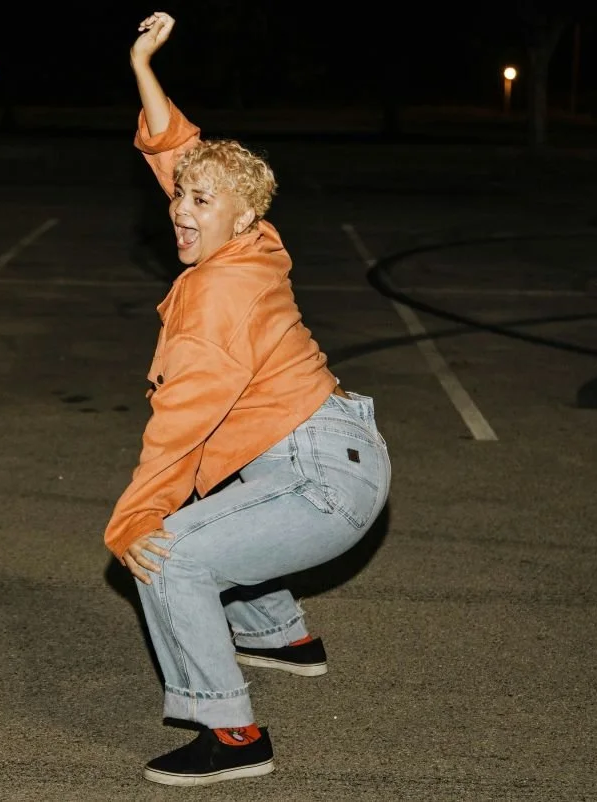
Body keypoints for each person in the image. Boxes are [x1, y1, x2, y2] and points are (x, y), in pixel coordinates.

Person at [103, 11, 392, 787]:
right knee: (225, 494)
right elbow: (175, 150)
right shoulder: (252, 241)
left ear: (241, 218)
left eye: (200, 203)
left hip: (319, 480)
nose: (181, 209)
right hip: (328, 453)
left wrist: (136, 515)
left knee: (167, 558)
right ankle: (280, 636)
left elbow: (182, 424)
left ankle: (231, 733)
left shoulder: (217, 296)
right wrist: (142, 64)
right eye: (181, 197)